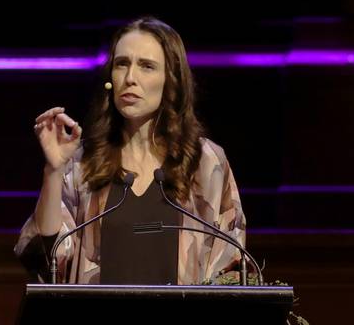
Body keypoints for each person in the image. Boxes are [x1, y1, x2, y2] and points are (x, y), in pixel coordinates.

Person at [14, 16, 246, 285]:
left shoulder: (205, 162)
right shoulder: (84, 162)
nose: (130, 78)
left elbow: (231, 270)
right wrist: (53, 171)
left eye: (146, 66)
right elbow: (44, 260)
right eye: (122, 64)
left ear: (171, 80)